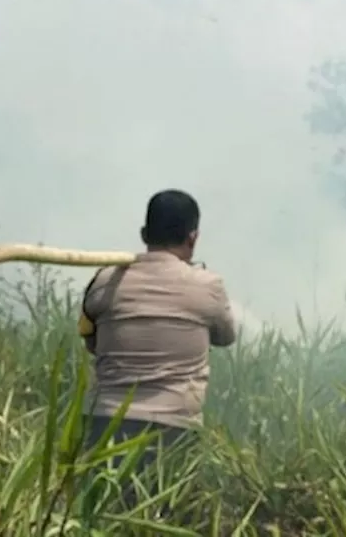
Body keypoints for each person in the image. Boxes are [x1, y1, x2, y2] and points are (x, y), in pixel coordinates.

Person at [78, 189, 237, 476]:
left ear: (143, 234)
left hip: (104, 424)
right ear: (193, 238)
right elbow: (226, 337)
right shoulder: (208, 286)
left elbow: (90, 339)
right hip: (174, 430)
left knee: (98, 515)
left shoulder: (104, 280)